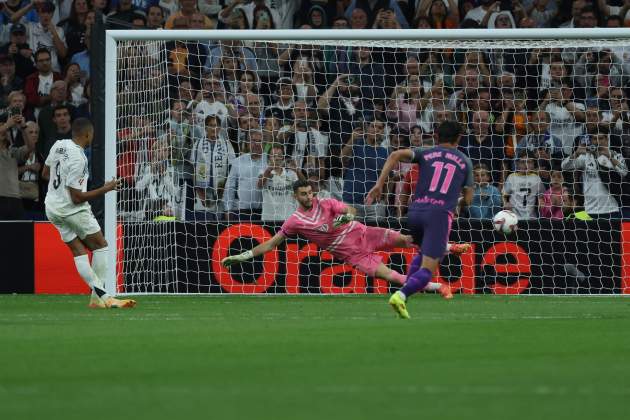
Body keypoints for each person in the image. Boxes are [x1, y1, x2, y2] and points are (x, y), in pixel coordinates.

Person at [222, 178, 461, 298]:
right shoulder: (294, 221)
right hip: (352, 253)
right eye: (303, 194)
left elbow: (351, 211)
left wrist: (343, 218)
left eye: (310, 192)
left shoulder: (326, 203)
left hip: (363, 233)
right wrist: (244, 255)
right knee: (392, 277)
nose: (308, 196)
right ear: (295, 196)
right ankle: (440, 287)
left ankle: (448, 247)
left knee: (408, 240)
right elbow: (272, 244)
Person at [366, 120, 474, 319]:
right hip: (439, 215)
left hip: (414, 212)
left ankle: (405, 294)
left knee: (422, 253)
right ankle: (400, 295)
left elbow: (395, 155)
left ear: (436, 136)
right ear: (459, 138)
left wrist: (380, 184)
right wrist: (457, 201)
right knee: (429, 268)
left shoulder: (425, 152)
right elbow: (468, 199)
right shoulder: (465, 160)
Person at [42, 118, 136, 309]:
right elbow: (77, 197)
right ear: (87, 135)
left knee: (78, 250)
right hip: (72, 210)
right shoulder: (79, 158)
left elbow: (45, 173)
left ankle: (98, 298)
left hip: (51, 207)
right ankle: (101, 298)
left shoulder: (58, 145)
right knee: (101, 246)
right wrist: (106, 188)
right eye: (91, 134)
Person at [502, 152, 545, 220]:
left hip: (531, 218)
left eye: (529, 162)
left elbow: (542, 195)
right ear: (517, 163)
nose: (526, 165)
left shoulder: (536, 178)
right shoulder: (512, 177)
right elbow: (504, 195)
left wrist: (541, 201)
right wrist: (506, 203)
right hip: (514, 218)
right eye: (522, 162)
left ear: (534, 164)